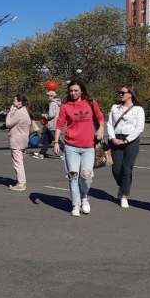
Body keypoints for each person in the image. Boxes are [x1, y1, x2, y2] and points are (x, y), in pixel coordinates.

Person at [53, 80, 105, 217]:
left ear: (82, 91)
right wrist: (56, 141)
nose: (73, 93)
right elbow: (59, 124)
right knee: (73, 175)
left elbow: (100, 117)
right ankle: (75, 204)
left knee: (86, 176)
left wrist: (101, 129)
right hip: (71, 147)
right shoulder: (65, 106)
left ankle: (84, 197)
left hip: (88, 147)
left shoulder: (91, 103)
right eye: (71, 91)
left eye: (76, 90)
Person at [107, 84, 145, 208]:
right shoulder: (115, 107)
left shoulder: (138, 109)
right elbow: (110, 124)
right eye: (119, 92)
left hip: (131, 140)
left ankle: (124, 196)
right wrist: (113, 138)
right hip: (116, 139)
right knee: (116, 169)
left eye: (123, 93)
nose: (120, 95)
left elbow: (139, 127)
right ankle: (122, 186)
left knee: (127, 169)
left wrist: (127, 140)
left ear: (130, 94)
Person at [4, 95, 32, 191]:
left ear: (20, 102)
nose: (13, 102)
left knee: (17, 162)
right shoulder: (25, 111)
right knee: (19, 161)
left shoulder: (19, 112)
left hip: (17, 140)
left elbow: (8, 124)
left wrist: (9, 114)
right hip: (23, 139)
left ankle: (21, 183)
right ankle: (20, 182)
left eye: (14, 100)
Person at [32, 90, 61, 159]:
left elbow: (51, 115)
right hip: (52, 124)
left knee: (57, 140)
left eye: (48, 95)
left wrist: (44, 115)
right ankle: (42, 153)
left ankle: (67, 154)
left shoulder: (52, 103)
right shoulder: (57, 103)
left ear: (52, 96)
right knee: (47, 140)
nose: (47, 97)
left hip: (52, 124)